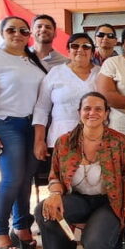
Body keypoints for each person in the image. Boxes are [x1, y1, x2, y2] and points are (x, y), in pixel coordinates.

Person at [35, 92, 125, 249]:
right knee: (44, 209)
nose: (92, 113)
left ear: (107, 113)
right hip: (78, 200)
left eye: (98, 109)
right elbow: (55, 175)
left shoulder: (120, 141)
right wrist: (55, 195)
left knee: (98, 245)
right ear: (79, 112)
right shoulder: (65, 142)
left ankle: (109, 239)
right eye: (87, 108)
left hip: (109, 202)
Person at [0, 15, 48, 249]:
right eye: (11, 30)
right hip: (6, 124)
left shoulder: (32, 60)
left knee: (26, 178)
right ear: (1, 32)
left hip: (32, 124)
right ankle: (0, 230)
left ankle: (22, 226)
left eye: (23, 31)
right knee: (12, 178)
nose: (17, 34)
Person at [33, 32, 100, 161]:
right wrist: (39, 141)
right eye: (75, 46)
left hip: (95, 139)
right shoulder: (56, 73)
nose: (80, 49)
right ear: (68, 51)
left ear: (92, 52)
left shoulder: (101, 73)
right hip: (60, 139)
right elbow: (41, 109)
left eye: (86, 46)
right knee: (63, 180)